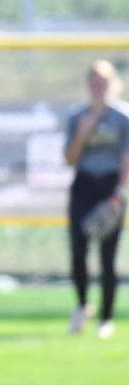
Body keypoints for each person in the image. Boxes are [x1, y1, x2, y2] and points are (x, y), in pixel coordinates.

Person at [62, 59, 129, 339]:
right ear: (88, 83)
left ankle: (105, 318)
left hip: (111, 186)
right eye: (93, 80)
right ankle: (81, 306)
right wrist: (83, 131)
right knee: (78, 251)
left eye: (103, 80)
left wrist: (120, 193)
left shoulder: (122, 116)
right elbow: (69, 159)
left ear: (111, 83)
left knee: (108, 258)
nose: (97, 86)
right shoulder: (77, 115)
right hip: (84, 184)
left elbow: (127, 158)